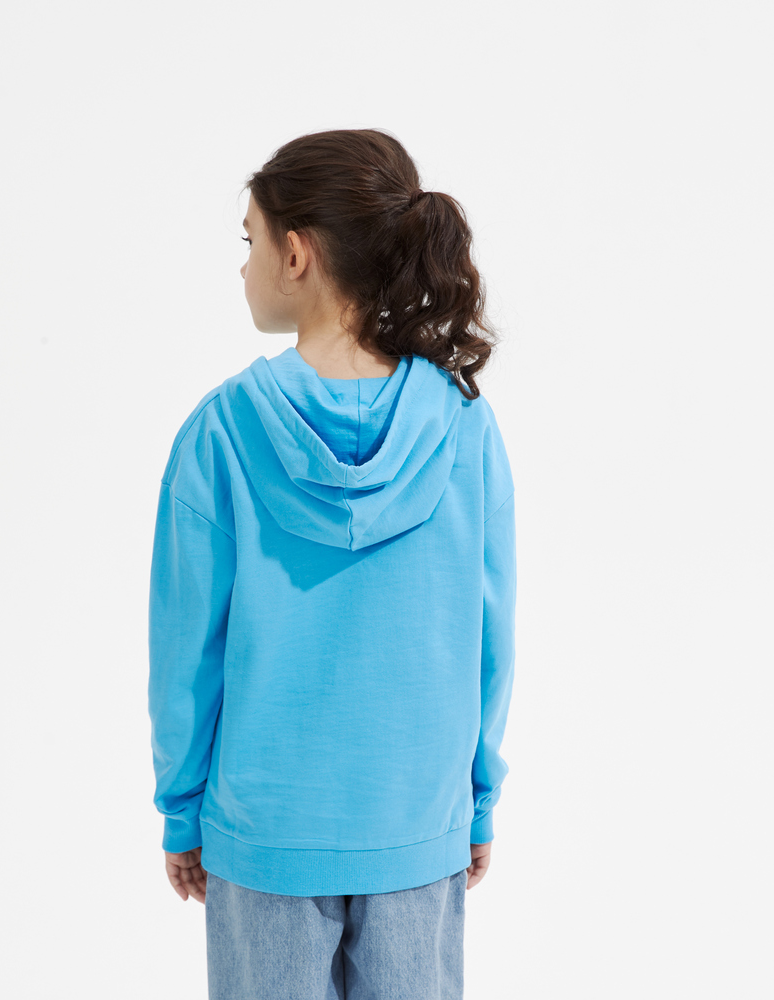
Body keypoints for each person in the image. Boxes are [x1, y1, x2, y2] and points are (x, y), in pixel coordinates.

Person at [147, 127, 517, 1000]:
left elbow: (185, 652)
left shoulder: (221, 433)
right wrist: (478, 796)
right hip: (416, 823)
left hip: (263, 834)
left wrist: (183, 809)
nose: (243, 265)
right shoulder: (463, 427)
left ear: (297, 254)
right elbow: (489, 638)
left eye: (250, 240)